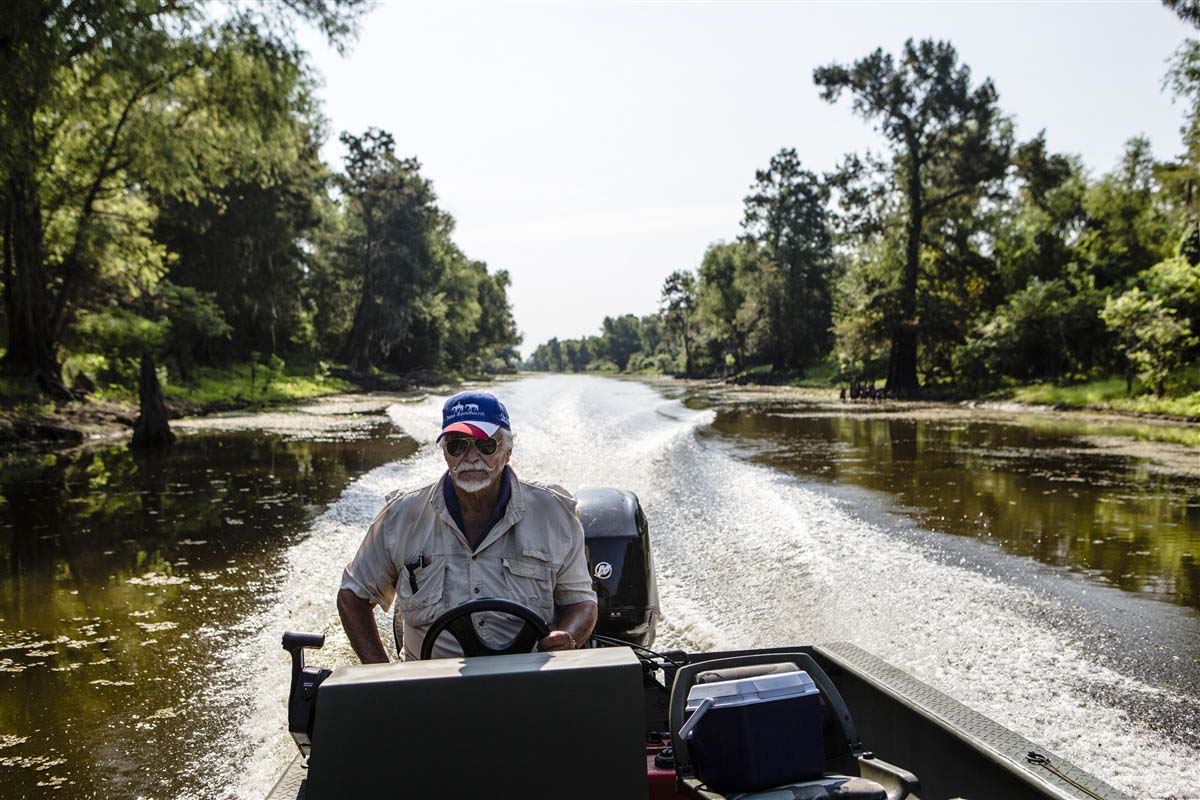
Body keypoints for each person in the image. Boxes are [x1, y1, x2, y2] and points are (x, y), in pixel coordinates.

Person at [337, 390, 598, 662]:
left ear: (507, 451)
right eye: (457, 445)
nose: (471, 457)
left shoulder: (554, 512)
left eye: (485, 445)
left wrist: (568, 637)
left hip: (527, 682)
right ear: (445, 453)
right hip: (427, 687)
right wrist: (382, 676)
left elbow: (580, 602)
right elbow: (353, 596)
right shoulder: (401, 515)